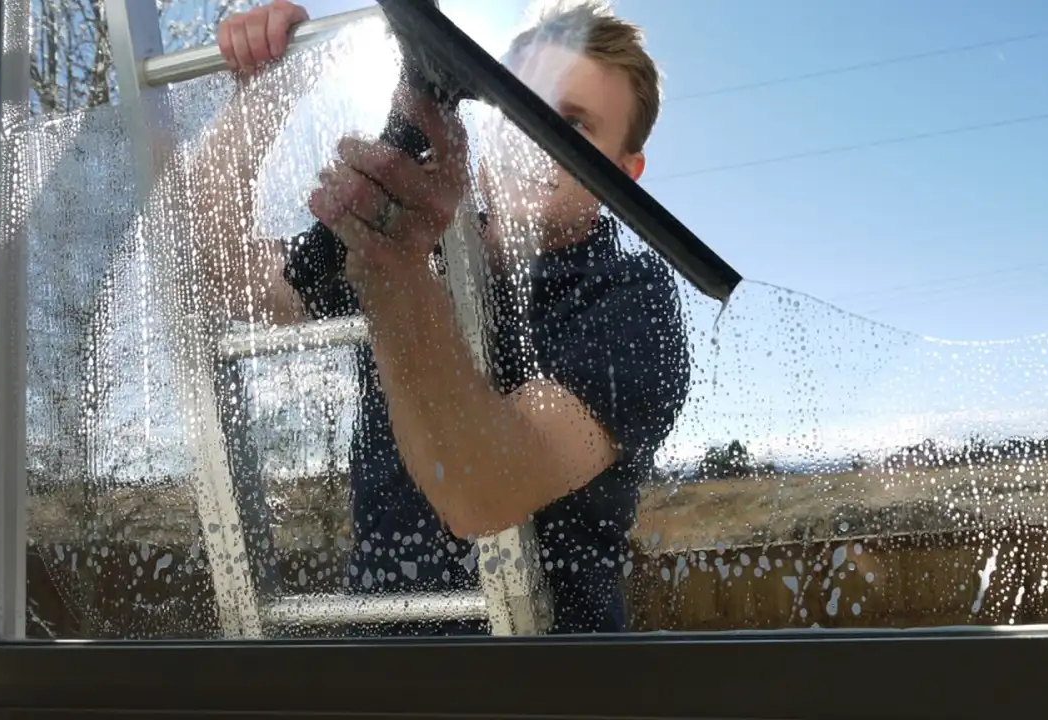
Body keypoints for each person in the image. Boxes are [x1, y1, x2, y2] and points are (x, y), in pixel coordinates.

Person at [194, 0, 690, 634]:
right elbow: (219, 271)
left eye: (576, 124)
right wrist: (264, 86)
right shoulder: (419, 234)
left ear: (624, 171)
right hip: (382, 675)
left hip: (553, 687)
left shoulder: (630, 300)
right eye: (524, 108)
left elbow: (482, 490)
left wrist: (394, 273)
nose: (540, 139)